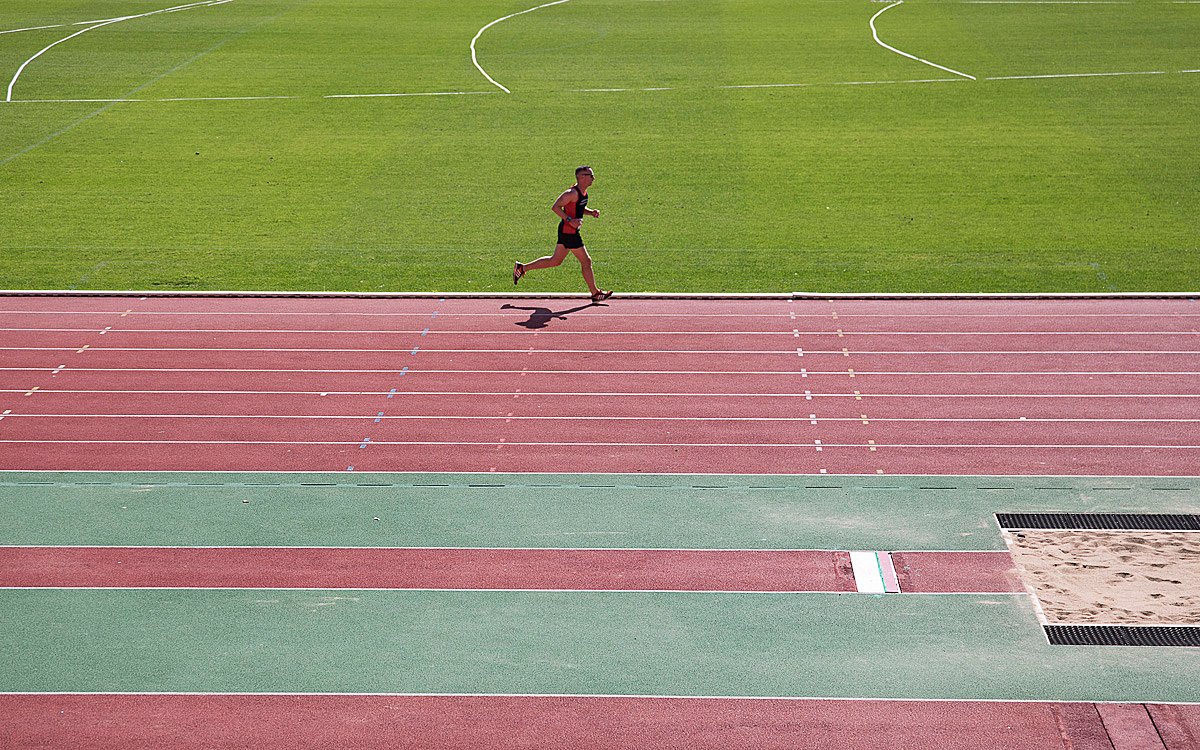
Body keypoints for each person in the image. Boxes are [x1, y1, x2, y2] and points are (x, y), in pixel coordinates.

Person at [513, 165, 612, 302]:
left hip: (568, 231)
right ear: (581, 177)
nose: (593, 178)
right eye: (590, 175)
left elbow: (579, 208)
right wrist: (570, 221)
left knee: (555, 261)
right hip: (569, 232)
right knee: (586, 261)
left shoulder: (583, 193)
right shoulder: (571, 193)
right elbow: (555, 207)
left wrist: (591, 212)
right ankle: (595, 293)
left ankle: (522, 268)